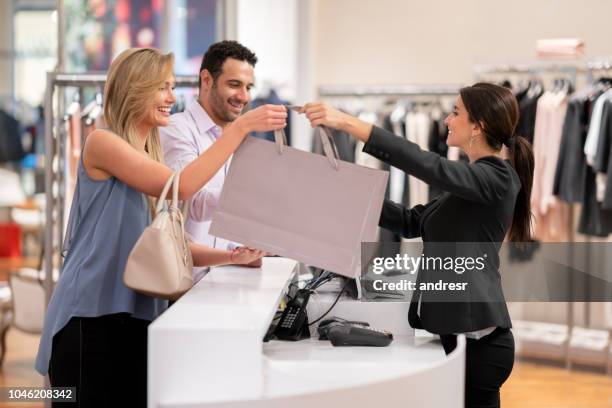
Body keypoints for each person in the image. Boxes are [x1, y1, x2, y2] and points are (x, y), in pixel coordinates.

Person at [35, 47, 287, 407]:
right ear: (135, 89)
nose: (172, 98)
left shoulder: (149, 153)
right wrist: (242, 126)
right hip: (91, 318)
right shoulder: (103, 143)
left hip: (135, 318)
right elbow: (184, 186)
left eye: (171, 87)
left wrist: (232, 257)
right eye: (162, 88)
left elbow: (168, 243)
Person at [301, 82, 534, 408]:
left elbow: (429, 165)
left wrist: (349, 124)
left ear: (477, 126)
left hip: (481, 343)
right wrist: (348, 192)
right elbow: (412, 220)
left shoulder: (498, 178)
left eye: (455, 113)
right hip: (458, 336)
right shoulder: (471, 183)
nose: (448, 121)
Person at [160, 40, 260, 281]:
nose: (243, 96)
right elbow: (193, 203)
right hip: (181, 288)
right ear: (206, 80)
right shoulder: (176, 129)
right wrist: (251, 194)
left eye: (248, 87)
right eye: (234, 85)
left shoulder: (234, 138)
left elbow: (222, 228)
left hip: (219, 282)